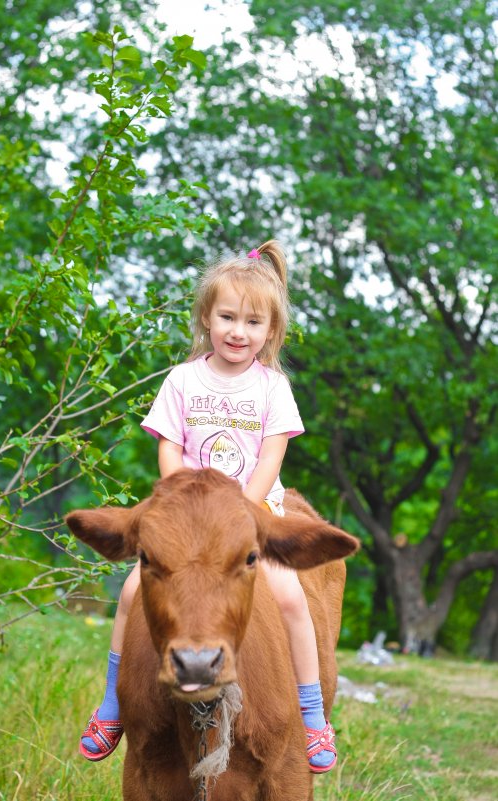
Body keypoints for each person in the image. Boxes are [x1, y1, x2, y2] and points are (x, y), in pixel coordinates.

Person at [79, 240, 337, 773]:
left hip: (247, 512)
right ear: (206, 318)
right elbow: (168, 445)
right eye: (226, 317)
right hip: (188, 517)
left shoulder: (272, 387)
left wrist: (238, 509)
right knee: (131, 592)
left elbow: (273, 452)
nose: (238, 331)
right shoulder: (182, 379)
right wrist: (181, 501)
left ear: (271, 332)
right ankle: (111, 706)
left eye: (252, 322)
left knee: (290, 597)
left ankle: (312, 715)